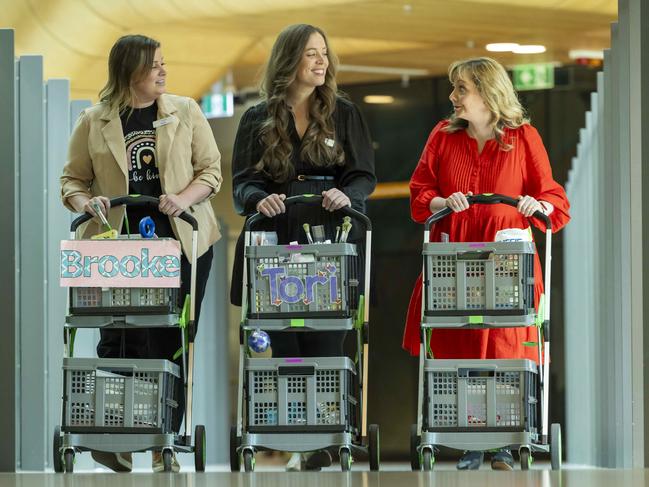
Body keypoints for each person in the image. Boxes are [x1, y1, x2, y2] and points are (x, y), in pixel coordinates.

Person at [60, 34, 222, 473]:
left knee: (172, 339)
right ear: (131, 72)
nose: (163, 72)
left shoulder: (185, 111)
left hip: (181, 242)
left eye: (163, 64)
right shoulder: (94, 120)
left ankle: (162, 441)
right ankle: (115, 435)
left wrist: (184, 198)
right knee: (119, 338)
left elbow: (211, 172)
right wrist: (86, 204)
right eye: (155, 67)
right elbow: (72, 182)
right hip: (118, 250)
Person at [402, 57, 570, 471]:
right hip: (453, 266)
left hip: (506, 268)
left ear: (487, 91)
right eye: (454, 88)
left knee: (503, 350)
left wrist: (536, 204)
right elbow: (420, 193)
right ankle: (469, 440)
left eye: (462, 88)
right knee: (459, 349)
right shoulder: (442, 137)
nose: (453, 97)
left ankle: (501, 442)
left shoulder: (522, 137)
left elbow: (554, 201)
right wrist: (443, 201)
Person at [231, 24, 376, 470]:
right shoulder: (257, 118)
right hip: (273, 244)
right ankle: (294, 437)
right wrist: (260, 197)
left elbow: (363, 175)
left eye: (324, 54)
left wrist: (345, 197)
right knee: (283, 347)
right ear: (289, 59)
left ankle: (327, 438)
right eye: (312, 54)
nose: (322, 62)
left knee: (328, 345)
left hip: (327, 243)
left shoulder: (343, 112)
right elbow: (242, 184)